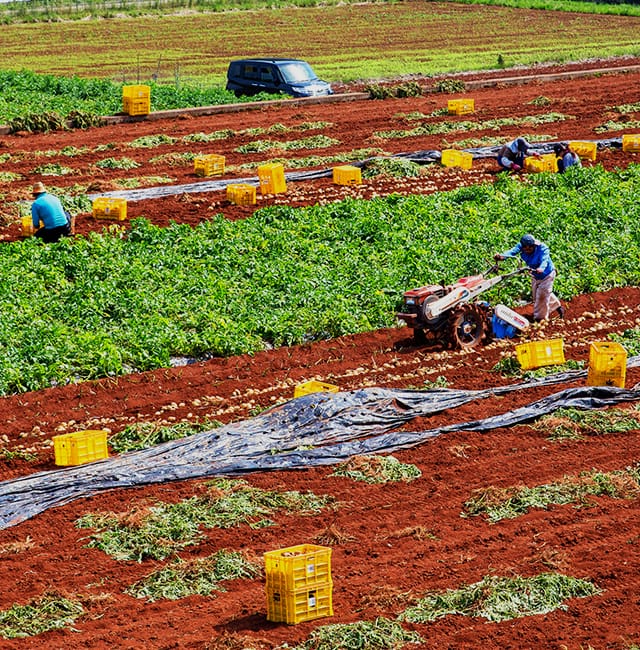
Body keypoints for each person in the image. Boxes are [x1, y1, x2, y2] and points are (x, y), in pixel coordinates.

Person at [494, 233, 564, 322]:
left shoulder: (542, 248)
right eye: (525, 248)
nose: (527, 250)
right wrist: (501, 256)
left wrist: (541, 268)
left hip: (547, 274)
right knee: (538, 296)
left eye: (530, 248)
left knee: (542, 296)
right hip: (535, 275)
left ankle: (540, 319)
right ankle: (556, 306)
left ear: (534, 245)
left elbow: (544, 259)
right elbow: (511, 252)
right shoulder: (520, 246)